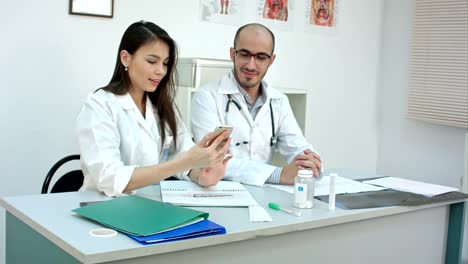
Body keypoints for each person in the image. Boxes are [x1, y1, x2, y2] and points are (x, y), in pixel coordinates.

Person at [76, 21, 231, 197]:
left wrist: (203, 174)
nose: (161, 71)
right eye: (152, 61)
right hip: (102, 206)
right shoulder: (99, 105)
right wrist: (184, 162)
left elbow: (183, 154)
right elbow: (110, 178)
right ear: (126, 58)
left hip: (148, 206)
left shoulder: (163, 107)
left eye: (165, 63)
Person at [190, 23, 322, 187]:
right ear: (233, 54)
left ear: (271, 60)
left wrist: (309, 162)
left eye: (260, 57)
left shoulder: (278, 101)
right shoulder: (206, 97)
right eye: (244, 54)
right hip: (218, 190)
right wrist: (278, 174)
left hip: (263, 193)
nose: (251, 65)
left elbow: (297, 146)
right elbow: (211, 159)